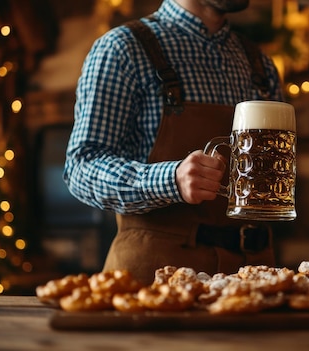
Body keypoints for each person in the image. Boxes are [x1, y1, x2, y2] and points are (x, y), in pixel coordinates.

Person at [63, 0, 285, 285]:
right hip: (153, 284)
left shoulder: (261, 63)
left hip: (251, 279)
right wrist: (170, 180)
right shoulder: (122, 48)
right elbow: (81, 167)